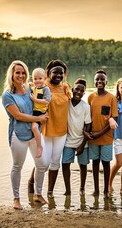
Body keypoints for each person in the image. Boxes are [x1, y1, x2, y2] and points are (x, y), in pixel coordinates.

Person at [1, 60, 48, 210]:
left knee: (42, 164)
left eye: (23, 73)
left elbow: (45, 87)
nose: (21, 75)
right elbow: (19, 116)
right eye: (17, 72)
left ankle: (38, 194)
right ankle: (16, 199)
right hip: (18, 134)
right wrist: (39, 119)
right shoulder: (7, 95)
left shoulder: (30, 88)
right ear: (12, 74)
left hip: (35, 133)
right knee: (17, 166)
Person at [28, 60, 71, 204]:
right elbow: (29, 97)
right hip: (46, 129)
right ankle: (31, 185)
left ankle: (49, 192)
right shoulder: (42, 86)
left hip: (61, 131)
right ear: (48, 73)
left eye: (61, 73)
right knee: (42, 162)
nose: (58, 75)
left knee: (55, 162)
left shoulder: (66, 88)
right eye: (55, 72)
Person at [87, 70, 118, 198]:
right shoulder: (90, 97)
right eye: (97, 80)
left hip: (106, 137)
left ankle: (106, 191)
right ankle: (96, 190)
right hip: (93, 137)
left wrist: (99, 133)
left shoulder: (111, 98)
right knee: (95, 163)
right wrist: (89, 133)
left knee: (105, 163)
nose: (99, 81)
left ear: (106, 82)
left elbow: (114, 118)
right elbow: (87, 117)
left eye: (102, 80)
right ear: (94, 82)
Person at [62, 78, 92, 195]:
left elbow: (88, 126)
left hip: (81, 141)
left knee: (83, 165)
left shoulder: (86, 107)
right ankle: (68, 190)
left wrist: (82, 145)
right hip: (68, 141)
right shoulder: (66, 103)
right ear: (72, 89)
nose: (78, 92)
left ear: (84, 93)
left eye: (81, 91)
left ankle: (82, 188)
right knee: (65, 164)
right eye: (77, 89)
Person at [30, 67, 51, 158]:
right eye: (35, 79)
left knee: (34, 127)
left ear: (45, 79)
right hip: (34, 111)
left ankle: (39, 147)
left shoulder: (45, 89)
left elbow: (47, 101)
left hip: (40, 112)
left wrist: (35, 99)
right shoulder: (34, 87)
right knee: (36, 129)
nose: (37, 81)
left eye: (40, 78)